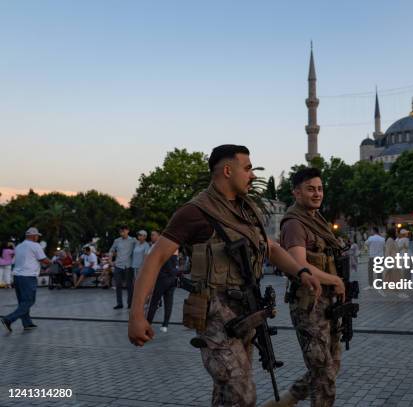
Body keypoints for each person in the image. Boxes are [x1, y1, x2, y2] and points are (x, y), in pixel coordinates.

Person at [128, 144, 322, 407]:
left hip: (246, 315)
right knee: (242, 395)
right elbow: (157, 257)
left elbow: (272, 248)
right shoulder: (195, 211)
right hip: (214, 319)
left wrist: (301, 272)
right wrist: (137, 314)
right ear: (228, 171)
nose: (252, 175)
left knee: (226, 396)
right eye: (248, 168)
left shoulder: (247, 209)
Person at [263, 167, 346, 407]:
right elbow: (299, 264)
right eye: (310, 189)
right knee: (323, 373)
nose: (317, 194)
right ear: (296, 193)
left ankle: (286, 401)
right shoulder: (294, 224)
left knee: (330, 365)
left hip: (328, 303)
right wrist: (335, 280)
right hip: (309, 304)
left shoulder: (315, 220)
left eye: (320, 189)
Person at [1, 228, 50, 332]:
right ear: (33, 236)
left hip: (17, 277)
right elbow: (43, 259)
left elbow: (14, 261)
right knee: (29, 301)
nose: (38, 237)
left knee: (22, 302)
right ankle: (8, 319)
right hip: (28, 277)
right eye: (37, 236)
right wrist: (51, 262)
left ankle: (27, 323)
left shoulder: (18, 246)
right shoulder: (35, 245)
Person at [145, 230, 177, 332]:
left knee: (154, 302)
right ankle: (165, 325)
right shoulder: (175, 247)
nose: (151, 236)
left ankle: (148, 324)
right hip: (172, 278)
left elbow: (157, 264)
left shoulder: (159, 247)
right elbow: (173, 265)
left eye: (153, 235)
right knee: (169, 302)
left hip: (162, 278)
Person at [109, 225, 136, 309]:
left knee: (129, 286)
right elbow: (111, 250)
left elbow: (139, 250)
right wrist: (110, 260)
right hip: (118, 265)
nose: (122, 233)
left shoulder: (133, 240)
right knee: (118, 285)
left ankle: (130, 303)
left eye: (123, 231)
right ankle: (119, 303)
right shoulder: (117, 241)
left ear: (128, 231)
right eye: (120, 232)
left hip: (128, 265)